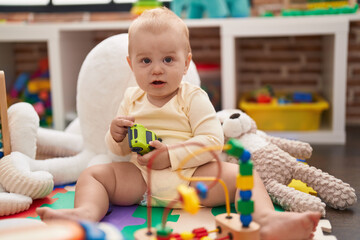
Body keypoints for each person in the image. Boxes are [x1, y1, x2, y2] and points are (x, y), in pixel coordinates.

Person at [37, 7, 321, 240]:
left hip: (193, 177)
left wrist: (170, 156)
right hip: (141, 180)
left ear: (186, 64)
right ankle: (86, 213)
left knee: (243, 176)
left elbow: (212, 141)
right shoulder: (131, 98)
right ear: (131, 64)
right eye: (145, 60)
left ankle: (265, 219)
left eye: (168, 59)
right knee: (93, 174)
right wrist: (116, 135)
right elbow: (120, 152)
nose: (157, 68)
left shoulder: (192, 97)